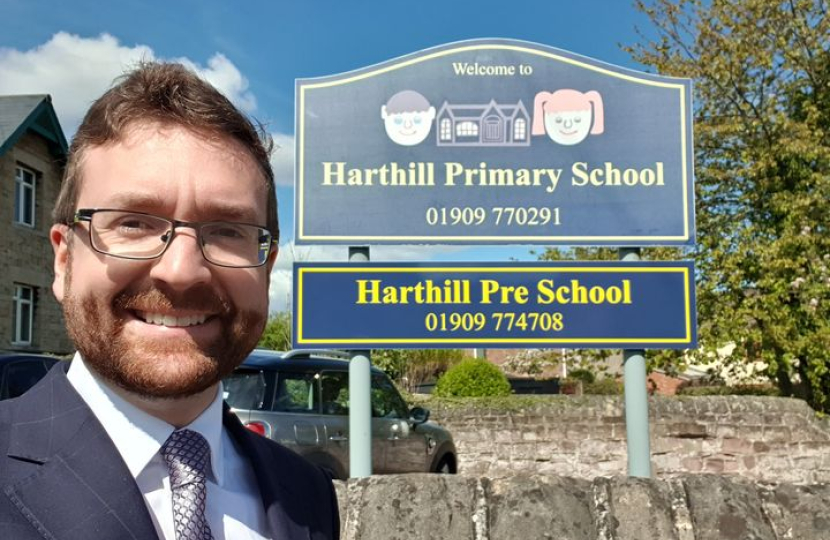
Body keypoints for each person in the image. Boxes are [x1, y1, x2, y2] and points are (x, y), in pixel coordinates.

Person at [0, 62, 339, 540]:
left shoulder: (307, 494)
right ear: (63, 260)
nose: (181, 271)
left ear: (266, 268)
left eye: (227, 231)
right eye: (133, 223)